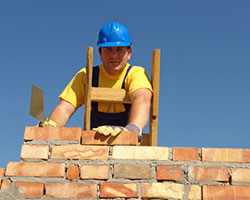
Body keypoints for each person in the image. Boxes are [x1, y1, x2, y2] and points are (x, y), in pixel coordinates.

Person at [40, 22, 152, 141]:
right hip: (94, 146)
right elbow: (65, 108)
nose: (114, 55)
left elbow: (142, 98)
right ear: (100, 53)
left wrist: (133, 130)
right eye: (108, 49)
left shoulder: (135, 73)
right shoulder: (87, 76)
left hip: (127, 147)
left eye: (119, 49)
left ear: (129, 53)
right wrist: (49, 129)